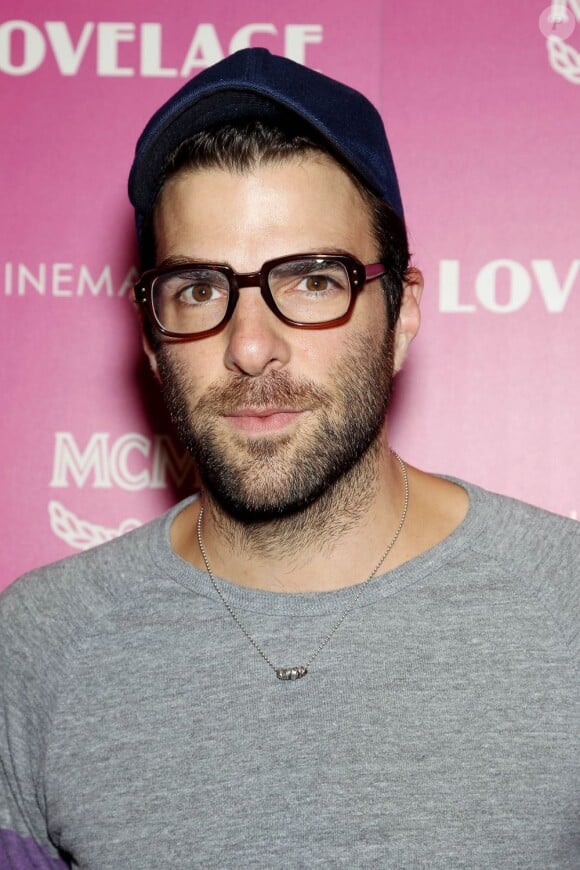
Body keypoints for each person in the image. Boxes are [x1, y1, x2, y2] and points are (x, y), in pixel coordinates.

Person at [0, 48, 578, 870]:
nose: (249, 347)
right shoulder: (34, 651)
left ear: (401, 312)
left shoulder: (568, 611)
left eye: (312, 279)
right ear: (153, 343)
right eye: (199, 288)